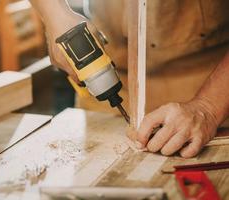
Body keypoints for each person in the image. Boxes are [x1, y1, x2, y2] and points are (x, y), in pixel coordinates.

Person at [30, 0, 229, 158]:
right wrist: (54, 13)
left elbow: (210, 107)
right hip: (112, 72)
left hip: (206, 89)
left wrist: (208, 108)